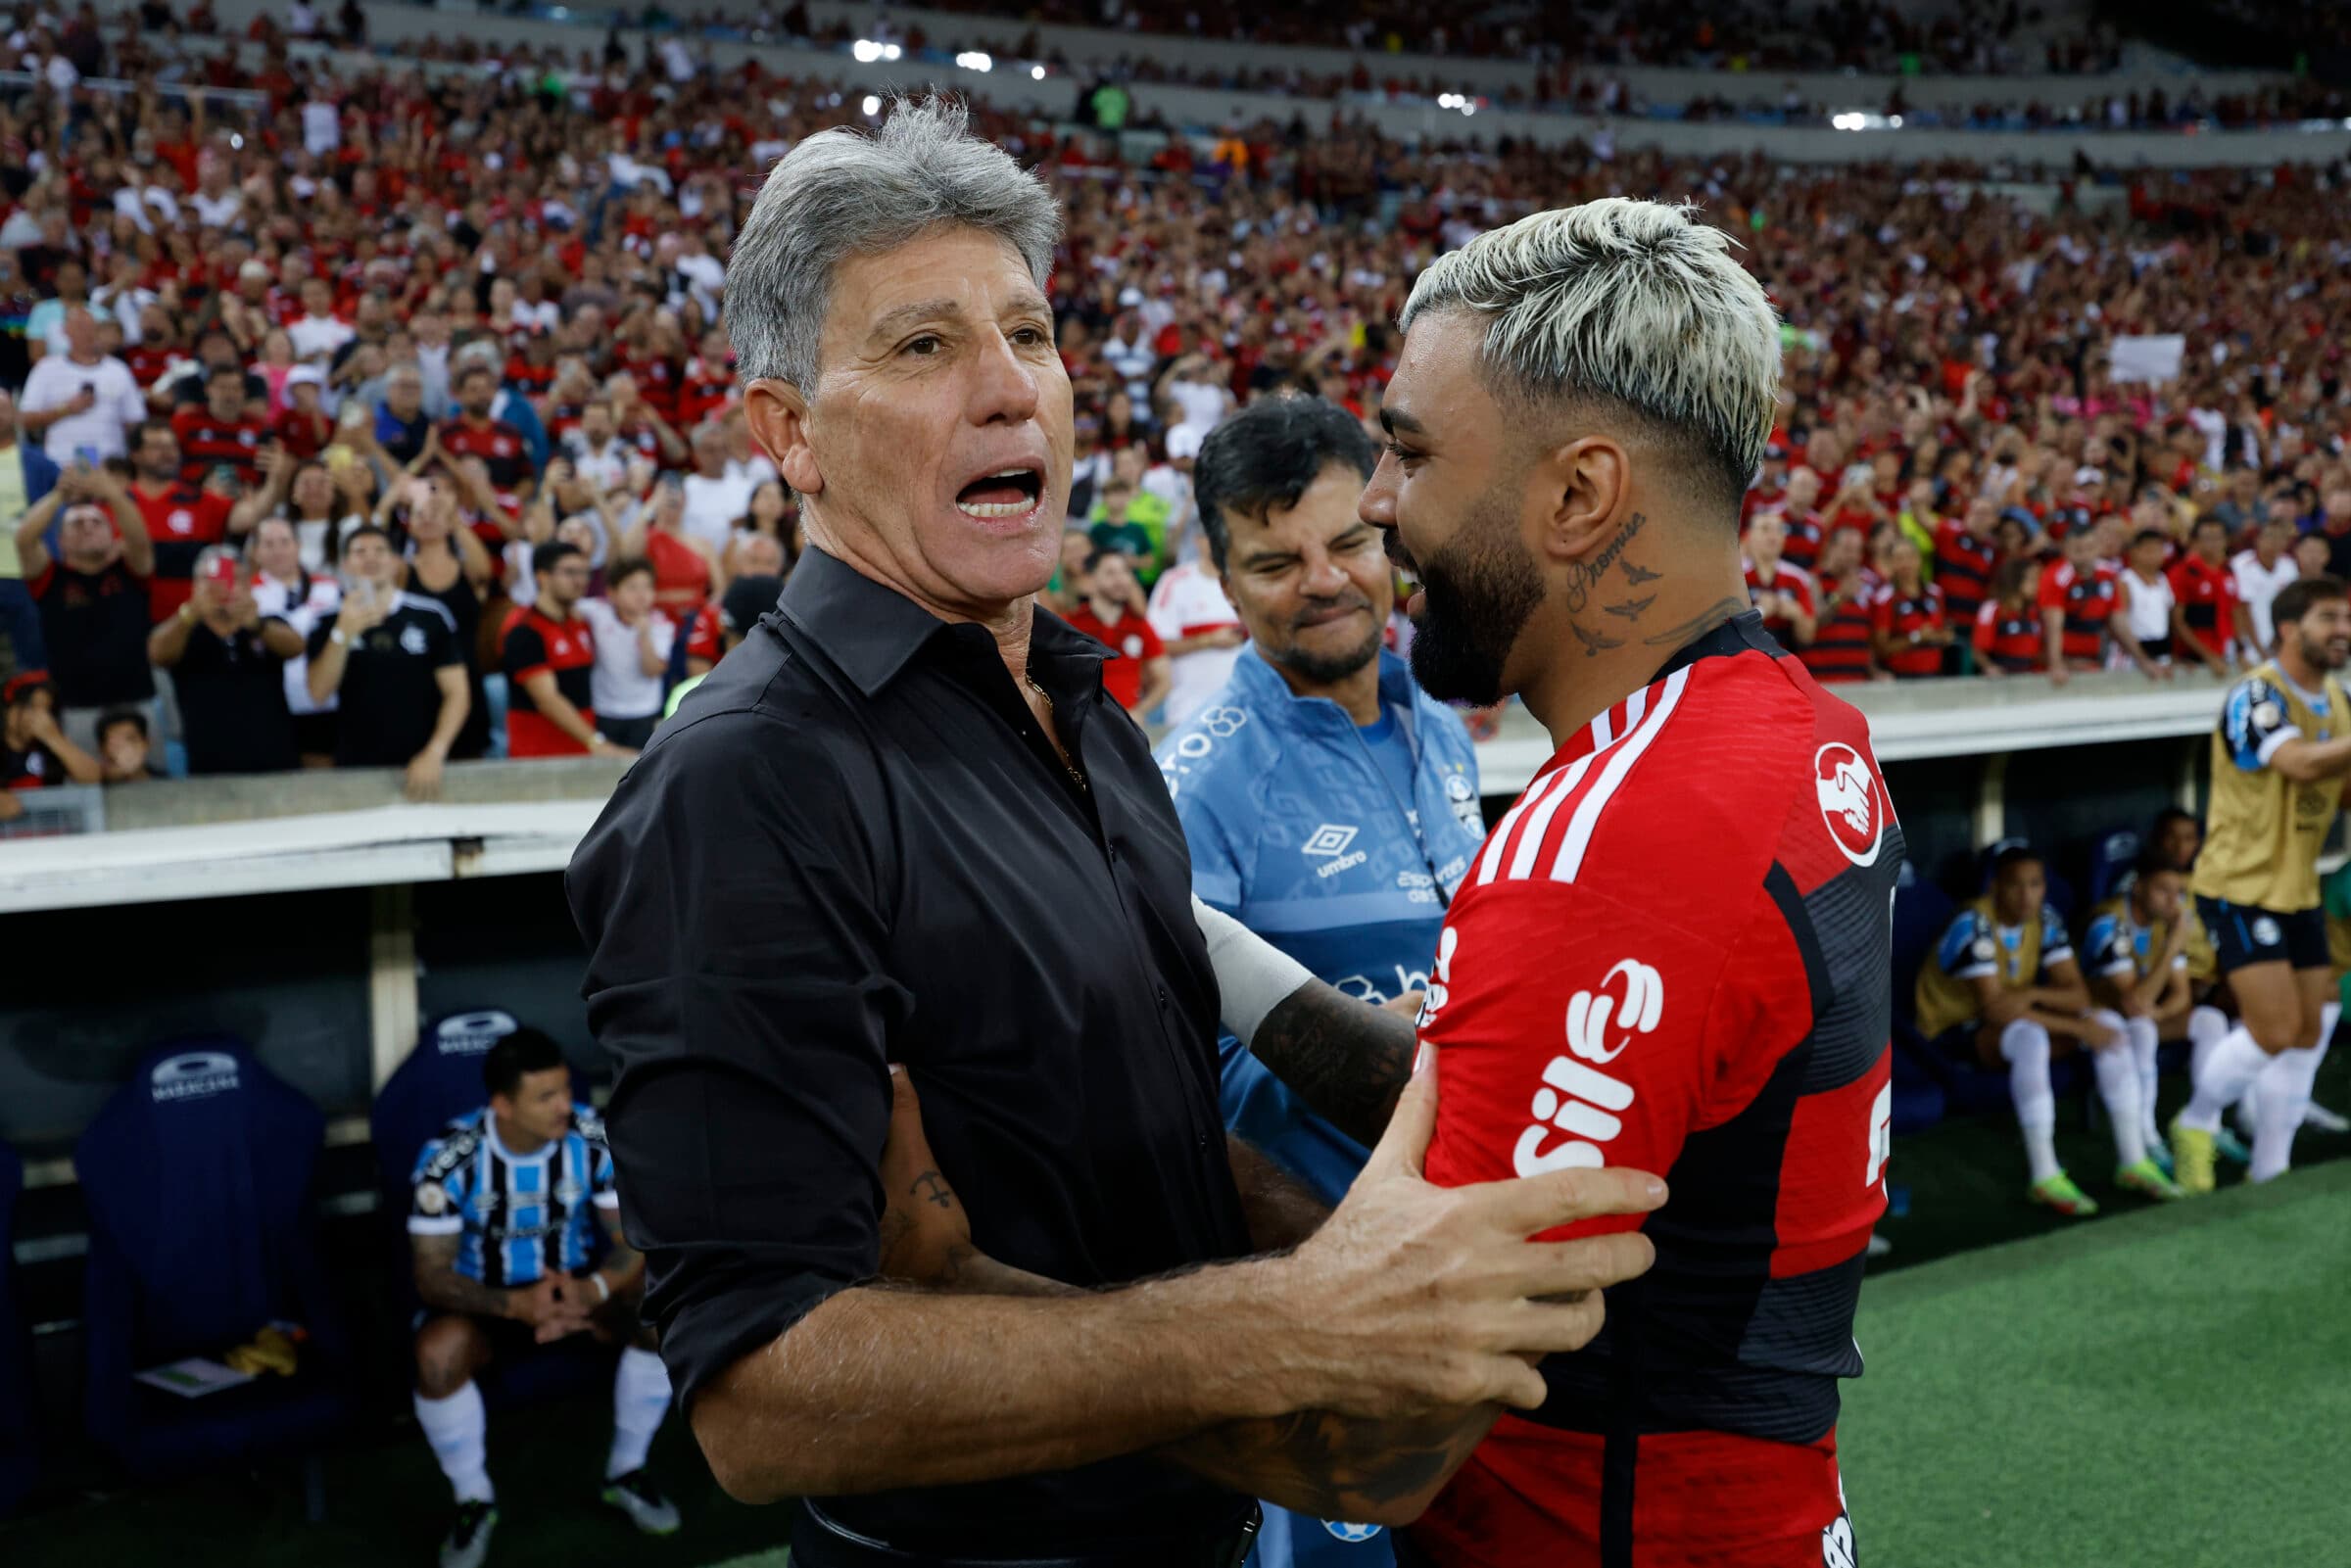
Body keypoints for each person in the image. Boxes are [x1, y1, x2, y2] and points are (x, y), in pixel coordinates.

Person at [569, 101, 1658, 1566]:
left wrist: (1360, 1270)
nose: (1009, 387)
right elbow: (763, 1401)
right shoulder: (745, 781)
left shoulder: (1084, 714)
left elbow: (1145, 1145)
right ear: (787, 434)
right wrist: (1286, 1325)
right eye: (923, 346)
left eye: (1029, 332)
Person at [1157, 196, 1898, 1565]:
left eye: (1410, 452)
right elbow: (1507, 1093)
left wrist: (961, 1278)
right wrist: (1190, 945)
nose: (1378, 506)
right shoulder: (1801, 731)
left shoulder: (1616, 851)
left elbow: (1370, 1450)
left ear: (1579, 494)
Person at [1153, 393, 1485, 1567]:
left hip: (1466, 1265)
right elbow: (1167, 1089)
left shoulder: (1438, 725)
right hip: (1320, 1299)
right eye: (1275, 559)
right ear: (1222, 578)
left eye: (1347, 543)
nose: (1324, 579)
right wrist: (1345, 1041)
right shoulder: (1191, 787)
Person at [408, 1026, 681, 1568]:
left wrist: (593, 1288)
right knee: (436, 1357)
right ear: (502, 1105)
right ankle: (474, 1501)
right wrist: (516, 1306)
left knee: (661, 1315)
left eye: (564, 1090)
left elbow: (633, 1241)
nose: (565, 1106)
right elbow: (431, 1278)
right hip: (484, 1303)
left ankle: (626, 1470)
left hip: (575, 1286)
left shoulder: (591, 1137)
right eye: (546, 1097)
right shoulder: (448, 1158)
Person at [2172, 575, 2351, 1191]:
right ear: (2288, 628)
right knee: (2275, 1029)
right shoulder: (2255, 695)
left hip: (2297, 886)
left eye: (2347, 618)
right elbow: (2300, 764)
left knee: (2316, 1018)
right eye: (2329, 617)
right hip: (2239, 885)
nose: (2343, 630)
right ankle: (2196, 1122)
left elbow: (2342, 788)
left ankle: (2271, 1168)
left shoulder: (2337, 698)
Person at [1915, 845, 2171, 1210]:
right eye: (2016, 885)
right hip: (1950, 1034)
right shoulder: (1974, 923)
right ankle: (2044, 1174)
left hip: (2008, 1022)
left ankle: (2133, 1160)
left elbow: (2078, 996)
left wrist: (2034, 994)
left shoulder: (2045, 920)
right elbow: (1996, 1011)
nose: (2027, 895)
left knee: (2108, 1024)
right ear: (1994, 888)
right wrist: (2077, 1028)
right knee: (2034, 1037)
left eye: (2035, 885)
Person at [2084, 854, 2224, 1184]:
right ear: (2138, 887)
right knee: (2143, 1028)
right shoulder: (2108, 923)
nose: (2172, 900)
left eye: (2178, 892)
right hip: (2099, 1018)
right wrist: (2174, 944)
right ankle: (2147, 1137)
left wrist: (2159, 1012)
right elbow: (2133, 1001)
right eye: (2162, 890)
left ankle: (2208, 1126)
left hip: (2140, 1016)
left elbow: (2182, 996)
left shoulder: (2166, 922)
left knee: (2210, 1021)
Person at [305, 525, 469, 799]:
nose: (370, 558)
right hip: (355, 766)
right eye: (360, 552)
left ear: (395, 562)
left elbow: (458, 693)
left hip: (424, 765)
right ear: (345, 564)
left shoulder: (431, 615)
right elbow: (319, 693)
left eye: (380, 550)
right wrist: (342, 634)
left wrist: (435, 752)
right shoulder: (325, 621)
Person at [16, 462, 157, 753]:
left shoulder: (130, 570)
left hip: (138, 701)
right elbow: (24, 539)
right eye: (76, 524)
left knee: (150, 789)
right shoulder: (50, 577)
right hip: (77, 706)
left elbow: (140, 539)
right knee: (85, 791)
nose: (88, 528)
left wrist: (113, 495)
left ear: (112, 534)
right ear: (61, 541)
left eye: (97, 523)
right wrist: (59, 494)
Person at [144, 545, 303, 775]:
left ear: (249, 584)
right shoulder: (184, 630)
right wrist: (191, 614)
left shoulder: (266, 623)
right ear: (196, 585)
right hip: (209, 765)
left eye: (235, 579)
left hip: (276, 760)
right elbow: (157, 654)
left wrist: (256, 624)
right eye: (212, 580)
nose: (224, 588)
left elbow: (296, 647)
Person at [500, 541, 624, 759]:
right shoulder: (524, 629)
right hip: (539, 756)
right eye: (570, 572)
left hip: (580, 751)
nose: (580, 581)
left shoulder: (579, 622)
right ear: (542, 577)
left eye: (585, 573)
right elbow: (547, 699)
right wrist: (596, 742)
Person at [247, 514, 343, 765]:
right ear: (255, 552)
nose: (278, 550)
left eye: (284, 542)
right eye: (268, 544)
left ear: (298, 546)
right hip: (273, 705)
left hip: (330, 701)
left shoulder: (331, 588)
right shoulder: (247, 596)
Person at [19, 307, 146, 466]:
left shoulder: (118, 370)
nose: (86, 333)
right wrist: (65, 409)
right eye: (79, 327)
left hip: (110, 464)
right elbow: (26, 420)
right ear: (65, 331)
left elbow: (135, 420)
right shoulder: (46, 368)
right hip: (61, 463)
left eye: (90, 327)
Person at [575, 557, 673, 749]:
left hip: (645, 710)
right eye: (632, 587)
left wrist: (644, 635)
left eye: (647, 587)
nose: (641, 594)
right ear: (612, 593)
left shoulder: (661, 624)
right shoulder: (596, 611)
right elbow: (569, 608)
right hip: (605, 709)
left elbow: (652, 670)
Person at [1062, 546, 1171, 715]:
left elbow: (1164, 680)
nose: (1121, 580)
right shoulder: (1071, 624)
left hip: (1128, 724)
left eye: (1125, 572)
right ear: (1090, 579)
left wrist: (1140, 711)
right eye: (1110, 573)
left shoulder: (1139, 625)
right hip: (1085, 725)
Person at [1143, 550, 1246, 728]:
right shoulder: (1174, 580)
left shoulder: (1246, 579)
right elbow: (1155, 645)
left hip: (1242, 714)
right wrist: (1208, 640)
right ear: (1199, 539)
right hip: (1187, 712)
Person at [2039, 524, 2123, 684]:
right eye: (2077, 550)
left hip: (2094, 659)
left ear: (2098, 547)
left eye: (2089, 548)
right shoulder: (2057, 576)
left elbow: (2119, 621)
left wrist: (2142, 659)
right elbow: (2053, 625)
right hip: (2064, 662)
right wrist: (2057, 664)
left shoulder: (2108, 574)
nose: (2084, 555)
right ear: (2065, 549)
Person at [1797, 523, 1874, 683]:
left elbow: (1867, 637)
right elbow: (1811, 625)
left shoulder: (1865, 584)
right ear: (1830, 547)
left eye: (1857, 551)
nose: (1853, 556)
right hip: (1822, 681)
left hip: (1857, 682)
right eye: (1847, 549)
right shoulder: (1811, 580)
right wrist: (1839, 597)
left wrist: (1874, 671)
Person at [2, 670, 101, 791]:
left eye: (46, 710)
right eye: (31, 706)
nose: (40, 716)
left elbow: (94, 778)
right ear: (9, 710)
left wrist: (54, 738)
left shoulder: (49, 749)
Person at [2166, 514, 2238, 674]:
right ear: (2196, 542)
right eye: (2208, 538)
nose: (2214, 544)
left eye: (2218, 538)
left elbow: (2233, 612)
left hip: (2223, 652)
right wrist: (2208, 656)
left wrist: (2240, 650)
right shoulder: (2184, 572)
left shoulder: (2228, 571)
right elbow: (2177, 621)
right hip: (2191, 657)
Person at [1871, 535, 1950, 678]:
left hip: (1935, 675)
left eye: (1911, 557)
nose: (1906, 563)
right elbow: (1881, 648)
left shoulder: (1935, 593)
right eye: (1899, 558)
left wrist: (1942, 637)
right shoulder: (1884, 599)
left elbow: (1943, 632)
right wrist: (1916, 637)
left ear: (1919, 560)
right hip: (1901, 677)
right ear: (1891, 564)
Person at [1741, 510, 1814, 649]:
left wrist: (1797, 615)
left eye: (1779, 530)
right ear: (1749, 536)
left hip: (1785, 662)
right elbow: (1725, 629)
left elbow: (1808, 637)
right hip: (1744, 662)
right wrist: (1759, 611)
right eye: (1765, 529)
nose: (1773, 536)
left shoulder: (1797, 578)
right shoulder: (1737, 575)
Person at [2231, 515, 2297, 663]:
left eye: (2281, 537)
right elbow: (2241, 611)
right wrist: (2258, 649)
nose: (2274, 542)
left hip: (2278, 643)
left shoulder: (2289, 566)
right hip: (2249, 645)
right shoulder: (2241, 565)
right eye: (2269, 536)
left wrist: (2279, 642)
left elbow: (2291, 609)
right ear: (2257, 540)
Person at [2116, 526, 2181, 675]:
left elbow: (2168, 622)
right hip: (2131, 654)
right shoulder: (2126, 581)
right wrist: (2141, 658)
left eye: (2159, 550)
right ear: (2133, 552)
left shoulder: (2163, 580)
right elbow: (2119, 624)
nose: (2155, 555)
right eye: (2149, 550)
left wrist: (2173, 655)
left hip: (2161, 652)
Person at [1972, 557, 2045, 676]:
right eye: (2033, 579)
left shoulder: (2035, 612)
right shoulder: (1992, 608)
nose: (2038, 585)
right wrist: (1989, 667)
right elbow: (1977, 651)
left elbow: (2035, 653)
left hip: (2028, 679)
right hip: (2001, 681)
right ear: (2016, 580)